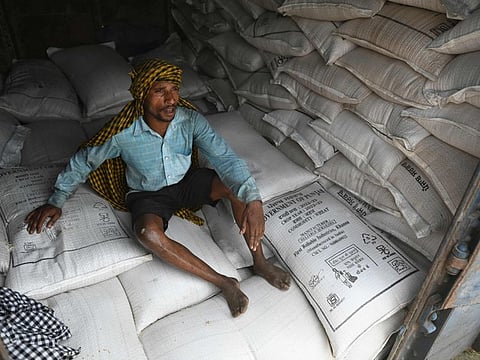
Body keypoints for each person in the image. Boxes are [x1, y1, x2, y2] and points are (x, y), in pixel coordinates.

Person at [24, 59, 291, 317]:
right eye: (160, 91)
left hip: (187, 181)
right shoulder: (123, 132)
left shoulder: (190, 120)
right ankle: (224, 282)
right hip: (148, 194)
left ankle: (260, 263)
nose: (171, 99)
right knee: (147, 234)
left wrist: (253, 200)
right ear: (142, 94)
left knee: (236, 188)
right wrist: (56, 200)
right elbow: (84, 160)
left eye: (174, 89)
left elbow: (225, 158)